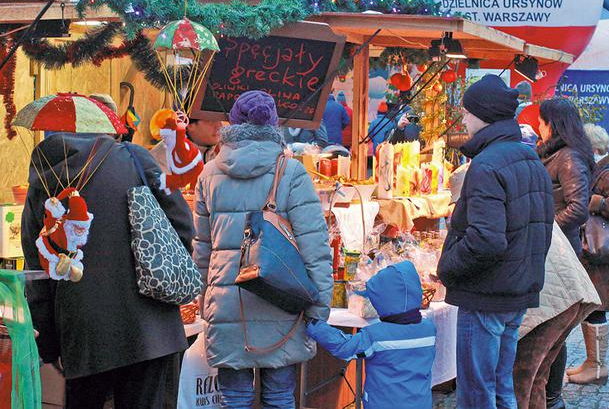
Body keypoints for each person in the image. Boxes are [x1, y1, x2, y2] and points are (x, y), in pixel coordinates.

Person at [22, 132, 194, 409]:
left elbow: (38, 270)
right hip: (152, 327)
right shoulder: (134, 158)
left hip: (84, 333)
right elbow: (184, 225)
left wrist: (49, 345)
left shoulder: (43, 181)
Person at [193, 90, 332, 408]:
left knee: (235, 397)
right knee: (280, 395)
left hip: (227, 302)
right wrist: (319, 309)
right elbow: (315, 248)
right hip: (282, 301)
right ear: (273, 126)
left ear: (232, 123)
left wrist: (205, 302)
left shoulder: (209, 173)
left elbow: (202, 248)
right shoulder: (292, 172)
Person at [437, 74, 554, 409]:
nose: (463, 118)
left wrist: (448, 267)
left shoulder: (488, 164)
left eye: (466, 112)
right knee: (500, 386)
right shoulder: (528, 157)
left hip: (487, 294)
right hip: (515, 290)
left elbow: (486, 241)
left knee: (477, 393)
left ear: (482, 115)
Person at [306, 261, 436, 409]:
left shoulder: (377, 335)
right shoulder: (429, 329)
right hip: (420, 403)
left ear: (384, 302)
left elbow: (344, 347)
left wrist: (314, 325)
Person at [536, 97, 593, 408]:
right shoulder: (553, 153)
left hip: (559, 250)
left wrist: (543, 228)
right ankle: (546, 394)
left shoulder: (568, 157)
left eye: (542, 122)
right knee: (548, 327)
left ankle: (553, 397)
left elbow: (577, 209)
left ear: (554, 124)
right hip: (550, 247)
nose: (538, 127)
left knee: (553, 328)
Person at [566, 123, 609, 385]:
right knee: (591, 307)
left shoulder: (606, 175)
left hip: (602, 253)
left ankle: (597, 367)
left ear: (594, 148)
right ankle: (591, 362)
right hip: (596, 253)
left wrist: (597, 203)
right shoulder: (597, 172)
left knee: (597, 307)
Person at [151, 118, 222, 172]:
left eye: (220, 120)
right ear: (190, 125)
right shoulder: (165, 156)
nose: (219, 126)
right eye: (210, 121)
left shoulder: (221, 151)